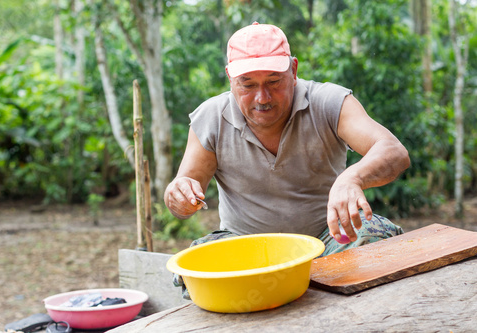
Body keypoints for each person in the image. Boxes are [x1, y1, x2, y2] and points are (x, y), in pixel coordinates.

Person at [164, 22, 410, 257]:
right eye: (247, 85)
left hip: (329, 241)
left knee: (375, 239)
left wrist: (352, 178)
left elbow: (393, 151)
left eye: (273, 81)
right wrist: (179, 196)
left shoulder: (328, 102)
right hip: (246, 249)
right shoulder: (211, 118)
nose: (262, 98)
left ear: (293, 70)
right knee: (200, 260)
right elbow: (183, 191)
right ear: (230, 78)